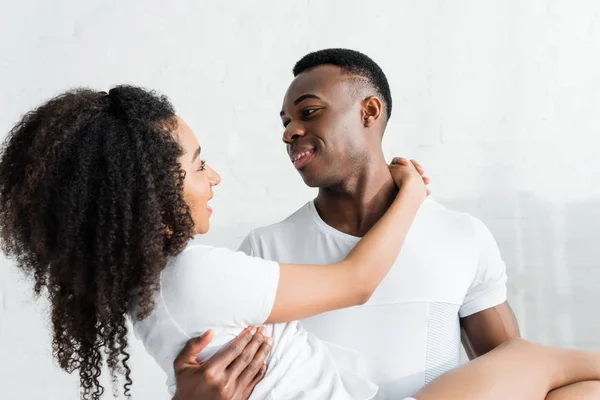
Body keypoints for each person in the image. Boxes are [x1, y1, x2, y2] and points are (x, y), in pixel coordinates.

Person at [173, 48, 600, 399]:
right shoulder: (266, 251)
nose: (290, 133)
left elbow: (514, 372)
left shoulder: (461, 237)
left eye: (309, 112)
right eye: (286, 123)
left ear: (370, 111)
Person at [0, 84, 431, 400]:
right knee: (502, 364)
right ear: (149, 191)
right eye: (199, 164)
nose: (215, 177)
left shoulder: (151, 292)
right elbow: (356, 282)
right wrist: (412, 190)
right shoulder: (193, 275)